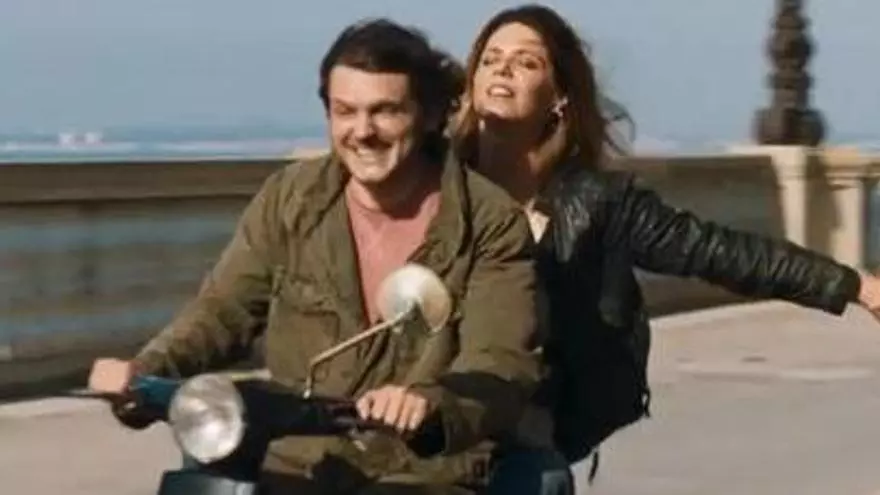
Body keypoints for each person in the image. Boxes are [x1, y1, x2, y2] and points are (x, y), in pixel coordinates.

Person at [87, 18, 545, 495]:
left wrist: (429, 403)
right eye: (345, 112)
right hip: (296, 462)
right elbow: (222, 311)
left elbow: (500, 361)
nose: (363, 131)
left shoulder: (489, 221)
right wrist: (144, 374)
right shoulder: (291, 200)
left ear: (429, 115)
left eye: (385, 111)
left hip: (421, 473)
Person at [452, 3, 880, 492]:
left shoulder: (599, 203)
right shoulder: (433, 184)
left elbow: (721, 252)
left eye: (527, 61)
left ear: (560, 97)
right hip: (430, 426)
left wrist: (855, 286)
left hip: (521, 445)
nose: (503, 69)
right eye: (490, 59)